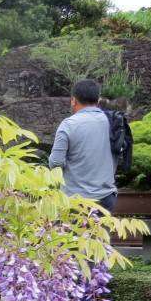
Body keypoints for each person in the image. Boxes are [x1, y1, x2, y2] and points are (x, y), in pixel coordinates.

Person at [48, 79, 117, 211]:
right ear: (98, 100)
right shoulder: (111, 121)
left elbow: (55, 162)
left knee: (73, 232)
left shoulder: (68, 125)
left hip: (76, 201)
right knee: (101, 232)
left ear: (73, 100)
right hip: (106, 198)